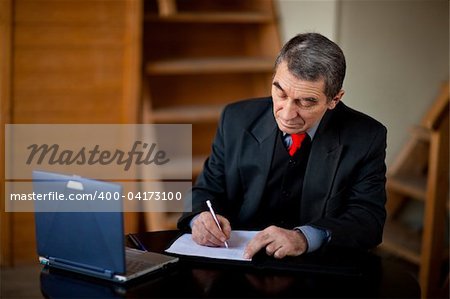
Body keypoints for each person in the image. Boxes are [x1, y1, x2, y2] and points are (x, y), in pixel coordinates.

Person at [177, 33, 387, 260]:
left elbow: (368, 220)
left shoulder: (367, 137)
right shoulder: (235, 119)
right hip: (238, 260)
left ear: (334, 99)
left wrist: (305, 238)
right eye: (281, 92)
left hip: (318, 268)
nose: (287, 114)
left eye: (306, 102)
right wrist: (198, 218)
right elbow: (207, 189)